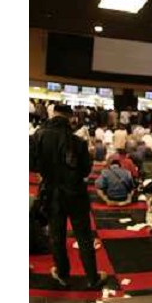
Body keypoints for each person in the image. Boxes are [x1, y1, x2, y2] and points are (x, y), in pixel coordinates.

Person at [29, 103, 107, 289]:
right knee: (84, 236)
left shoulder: (37, 137)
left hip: (51, 193)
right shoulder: (78, 142)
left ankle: (63, 274)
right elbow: (85, 171)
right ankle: (92, 278)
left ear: (53, 114)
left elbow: (32, 165)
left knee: (57, 236)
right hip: (76, 194)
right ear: (70, 117)